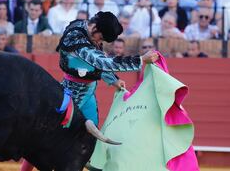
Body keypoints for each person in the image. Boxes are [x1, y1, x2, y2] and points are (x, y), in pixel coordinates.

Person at [20, 11, 159, 171]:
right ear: (96, 28)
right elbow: (101, 61)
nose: (99, 41)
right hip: (69, 95)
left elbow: (99, 61)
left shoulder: (91, 32)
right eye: (101, 38)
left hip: (88, 94)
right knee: (46, 138)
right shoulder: (75, 37)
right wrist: (140, 60)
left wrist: (112, 80)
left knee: (92, 140)